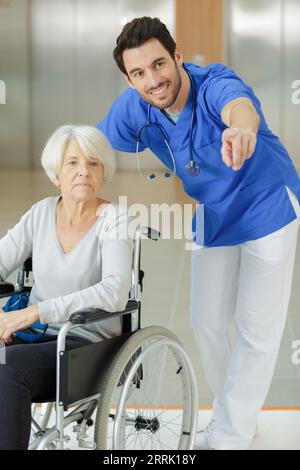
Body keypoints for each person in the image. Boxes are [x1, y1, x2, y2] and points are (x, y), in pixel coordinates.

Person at [97, 17, 300, 450]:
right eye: (138, 73)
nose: (153, 80)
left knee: (255, 327)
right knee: (205, 320)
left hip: (268, 202)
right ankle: (238, 415)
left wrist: (242, 129)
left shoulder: (213, 85)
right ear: (128, 79)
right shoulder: (136, 106)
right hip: (214, 213)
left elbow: (239, 107)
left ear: (178, 56)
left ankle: (231, 434)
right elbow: (93, 145)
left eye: (159, 64)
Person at [0, 125, 134, 450]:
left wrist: (36, 311)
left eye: (93, 164)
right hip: (35, 334)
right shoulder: (41, 213)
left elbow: (115, 291)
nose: (83, 172)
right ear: (56, 173)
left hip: (84, 343)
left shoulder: (115, 219)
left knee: (7, 369)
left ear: (104, 173)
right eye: (72, 163)